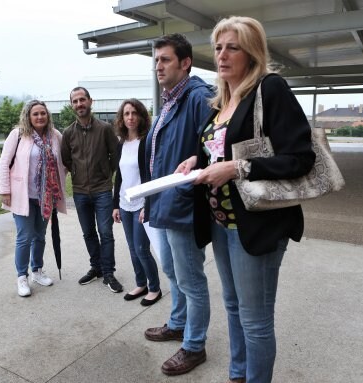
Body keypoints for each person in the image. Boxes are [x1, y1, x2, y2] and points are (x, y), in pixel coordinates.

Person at [176, 16, 316, 383]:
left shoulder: (270, 90)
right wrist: (197, 160)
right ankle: (238, 375)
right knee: (234, 307)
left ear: (252, 53)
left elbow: (301, 158)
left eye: (232, 47)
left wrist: (238, 168)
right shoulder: (219, 101)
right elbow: (214, 153)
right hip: (222, 224)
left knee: (255, 320)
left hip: (257, 225)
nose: (222, 55)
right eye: (218, 47)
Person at [143, 34, 214, 376]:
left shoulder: (198, 96)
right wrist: (150, 200)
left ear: (185, 62)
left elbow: (218, 145)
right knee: (172, 271)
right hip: (166, 203)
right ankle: (177, 323)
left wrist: (198, 158)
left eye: (165, 60)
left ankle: (194, 345)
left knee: (191, 279)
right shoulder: (171, 100)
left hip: (185, 205)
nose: (158, 66)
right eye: (156, 60)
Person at [0, 100, 67, 297]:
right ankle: (22, 277)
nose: (39, 117)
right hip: (23, 195)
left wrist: (60, 178)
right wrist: (5, 189)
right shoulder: (18, 134)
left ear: (48, 115)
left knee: (39, 236)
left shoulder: (55, 135)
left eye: (43, 113)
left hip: (45, 196)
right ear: (28, 116)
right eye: (35, 114)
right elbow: (4, 163)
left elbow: (62, 160)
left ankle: (37, 271)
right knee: (24, 237)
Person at [61, 86, 124, 293]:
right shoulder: (68, 133)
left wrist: (106, 174)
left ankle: (108, 273)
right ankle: (96, 268)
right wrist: (78, 173)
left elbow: (115, 156)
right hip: (80, 192)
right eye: (75, 101)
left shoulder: (105, 128)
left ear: (90, 101)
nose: (79, 104)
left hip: (102, 190)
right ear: (72, 105)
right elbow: (66, 159)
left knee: (105, 233)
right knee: (88, 233)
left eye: (82, 100)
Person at [112, 99, 162, 306]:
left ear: (141, 116)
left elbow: (152, 175)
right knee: (133, 248)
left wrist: (147, 205)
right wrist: (116, 204)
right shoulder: (121, 143)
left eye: (134, 113)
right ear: (121, 119)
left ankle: (155, 288)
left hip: (142, 204)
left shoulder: (147, 142)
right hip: (125, 203)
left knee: (142, 248)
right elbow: (119, 176)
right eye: (126, 114)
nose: (130, 117)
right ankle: (140, 283)